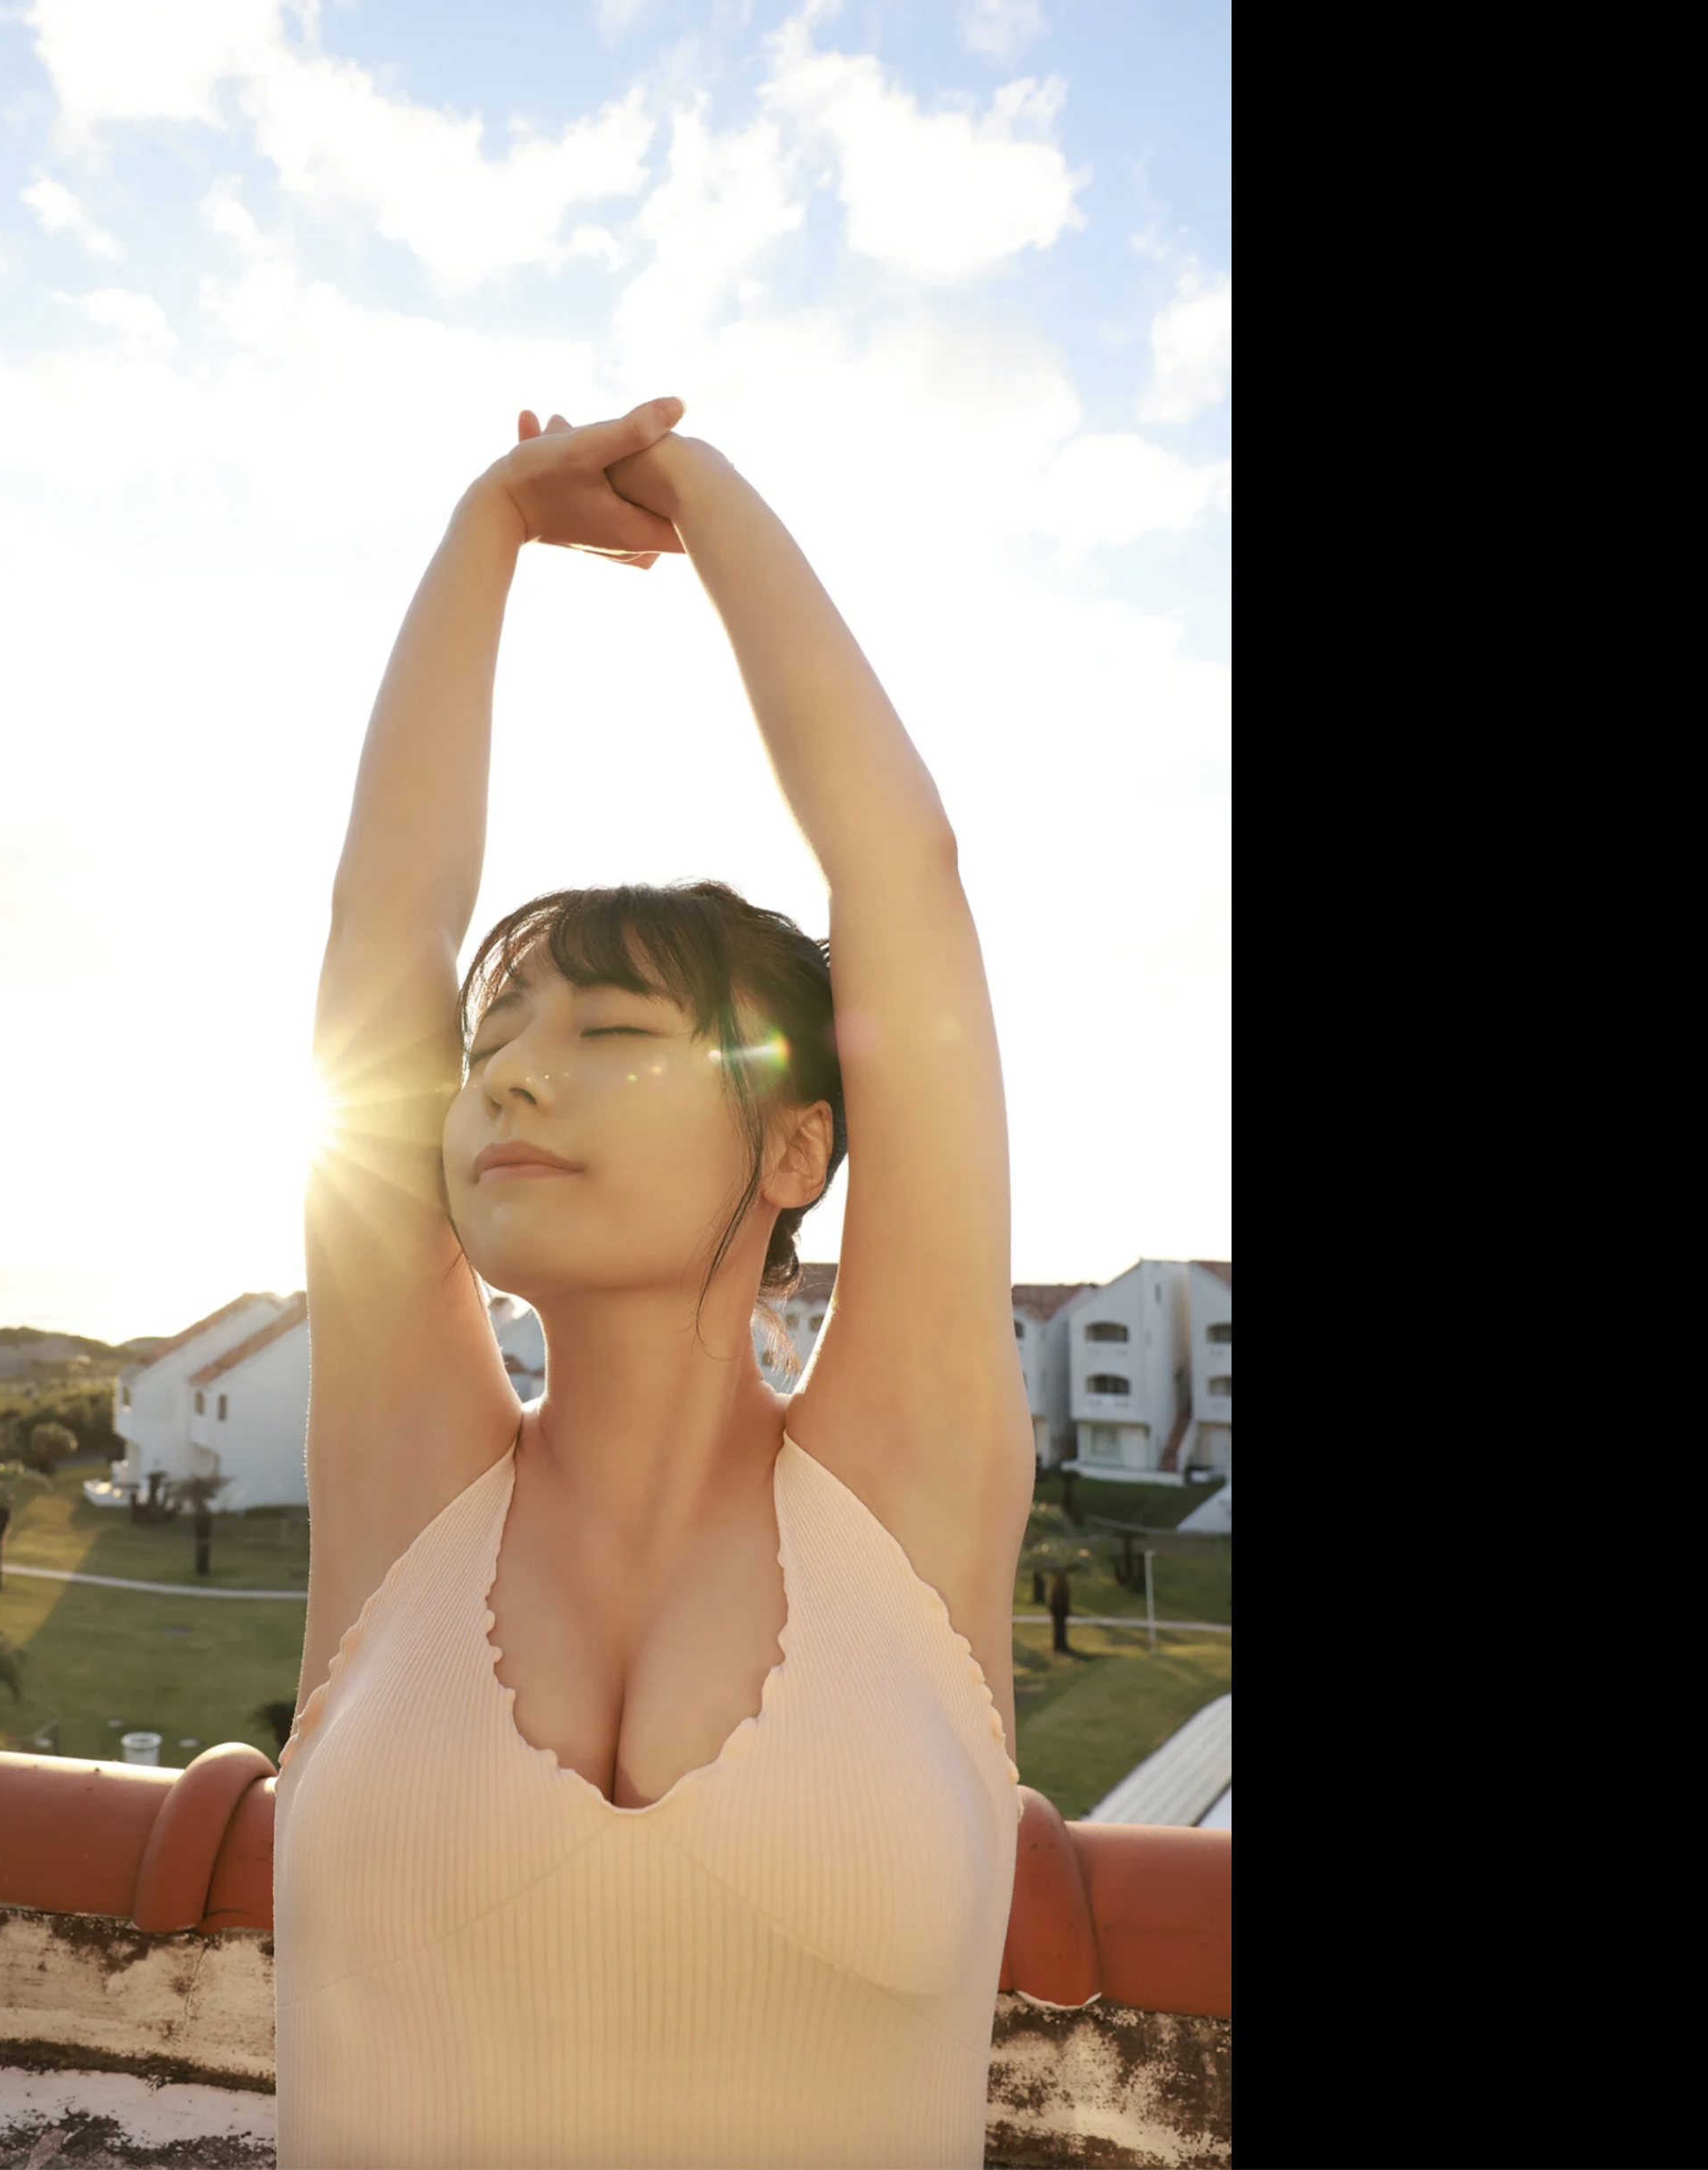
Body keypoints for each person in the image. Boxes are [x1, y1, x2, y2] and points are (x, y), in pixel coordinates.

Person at [271, 400, 1034, 2169]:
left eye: (611, 1033)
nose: (512, 1084)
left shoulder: (903, 1494)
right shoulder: (408, 1495)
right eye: (490, 1049)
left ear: (796, 1147)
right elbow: (384, 931)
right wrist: (488, 523)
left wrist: (690, 483)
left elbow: (902, 873)